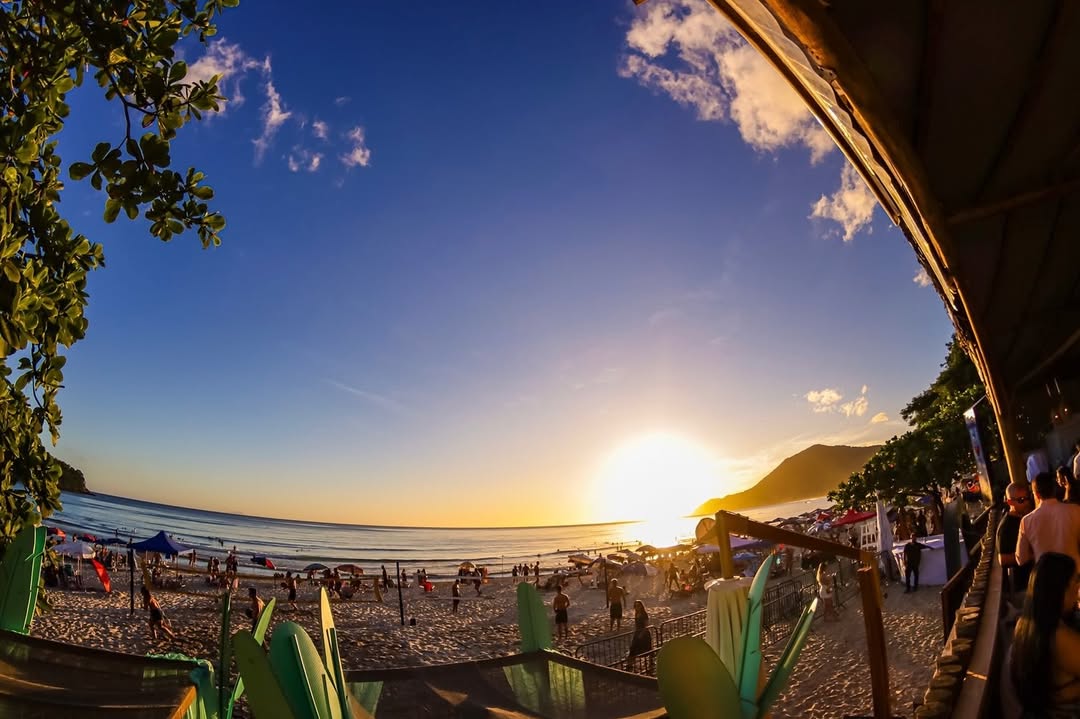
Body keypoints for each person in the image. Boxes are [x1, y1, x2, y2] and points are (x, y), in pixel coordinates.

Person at [1011, 552, 1080, 716]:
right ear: (1061, 589)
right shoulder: (1059, 637)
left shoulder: (1025, 625)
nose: (1078, 588)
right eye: (1076, 581)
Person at [1018, 472, 1080, 570]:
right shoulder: (1075, 510)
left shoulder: (1026, 521)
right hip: (1074, 573)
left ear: (1037, 495)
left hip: (1045, 575)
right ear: (1054, 490)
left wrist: (1037, 552)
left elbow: (1021, 559)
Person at [998, 483, 1036, 598]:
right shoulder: (1006, 527)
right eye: (1021, 500)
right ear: (1010, 502)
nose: (1027, 503)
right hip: (1023, 586)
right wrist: (1032, 555)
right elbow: (1003, 559)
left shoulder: (1026, 518)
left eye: (1028, 498)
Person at [627, 600, 652, 665]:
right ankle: (630, 664)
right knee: (633, 648)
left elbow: (646, 625)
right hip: (637, 632)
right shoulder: (636, 613)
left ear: (641, 606)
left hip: (644, 634)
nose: (637, 607)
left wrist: (641, 633)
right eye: (635, 606)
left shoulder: (644, 614)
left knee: (646, 649)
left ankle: (651, 662)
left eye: (638, 605)